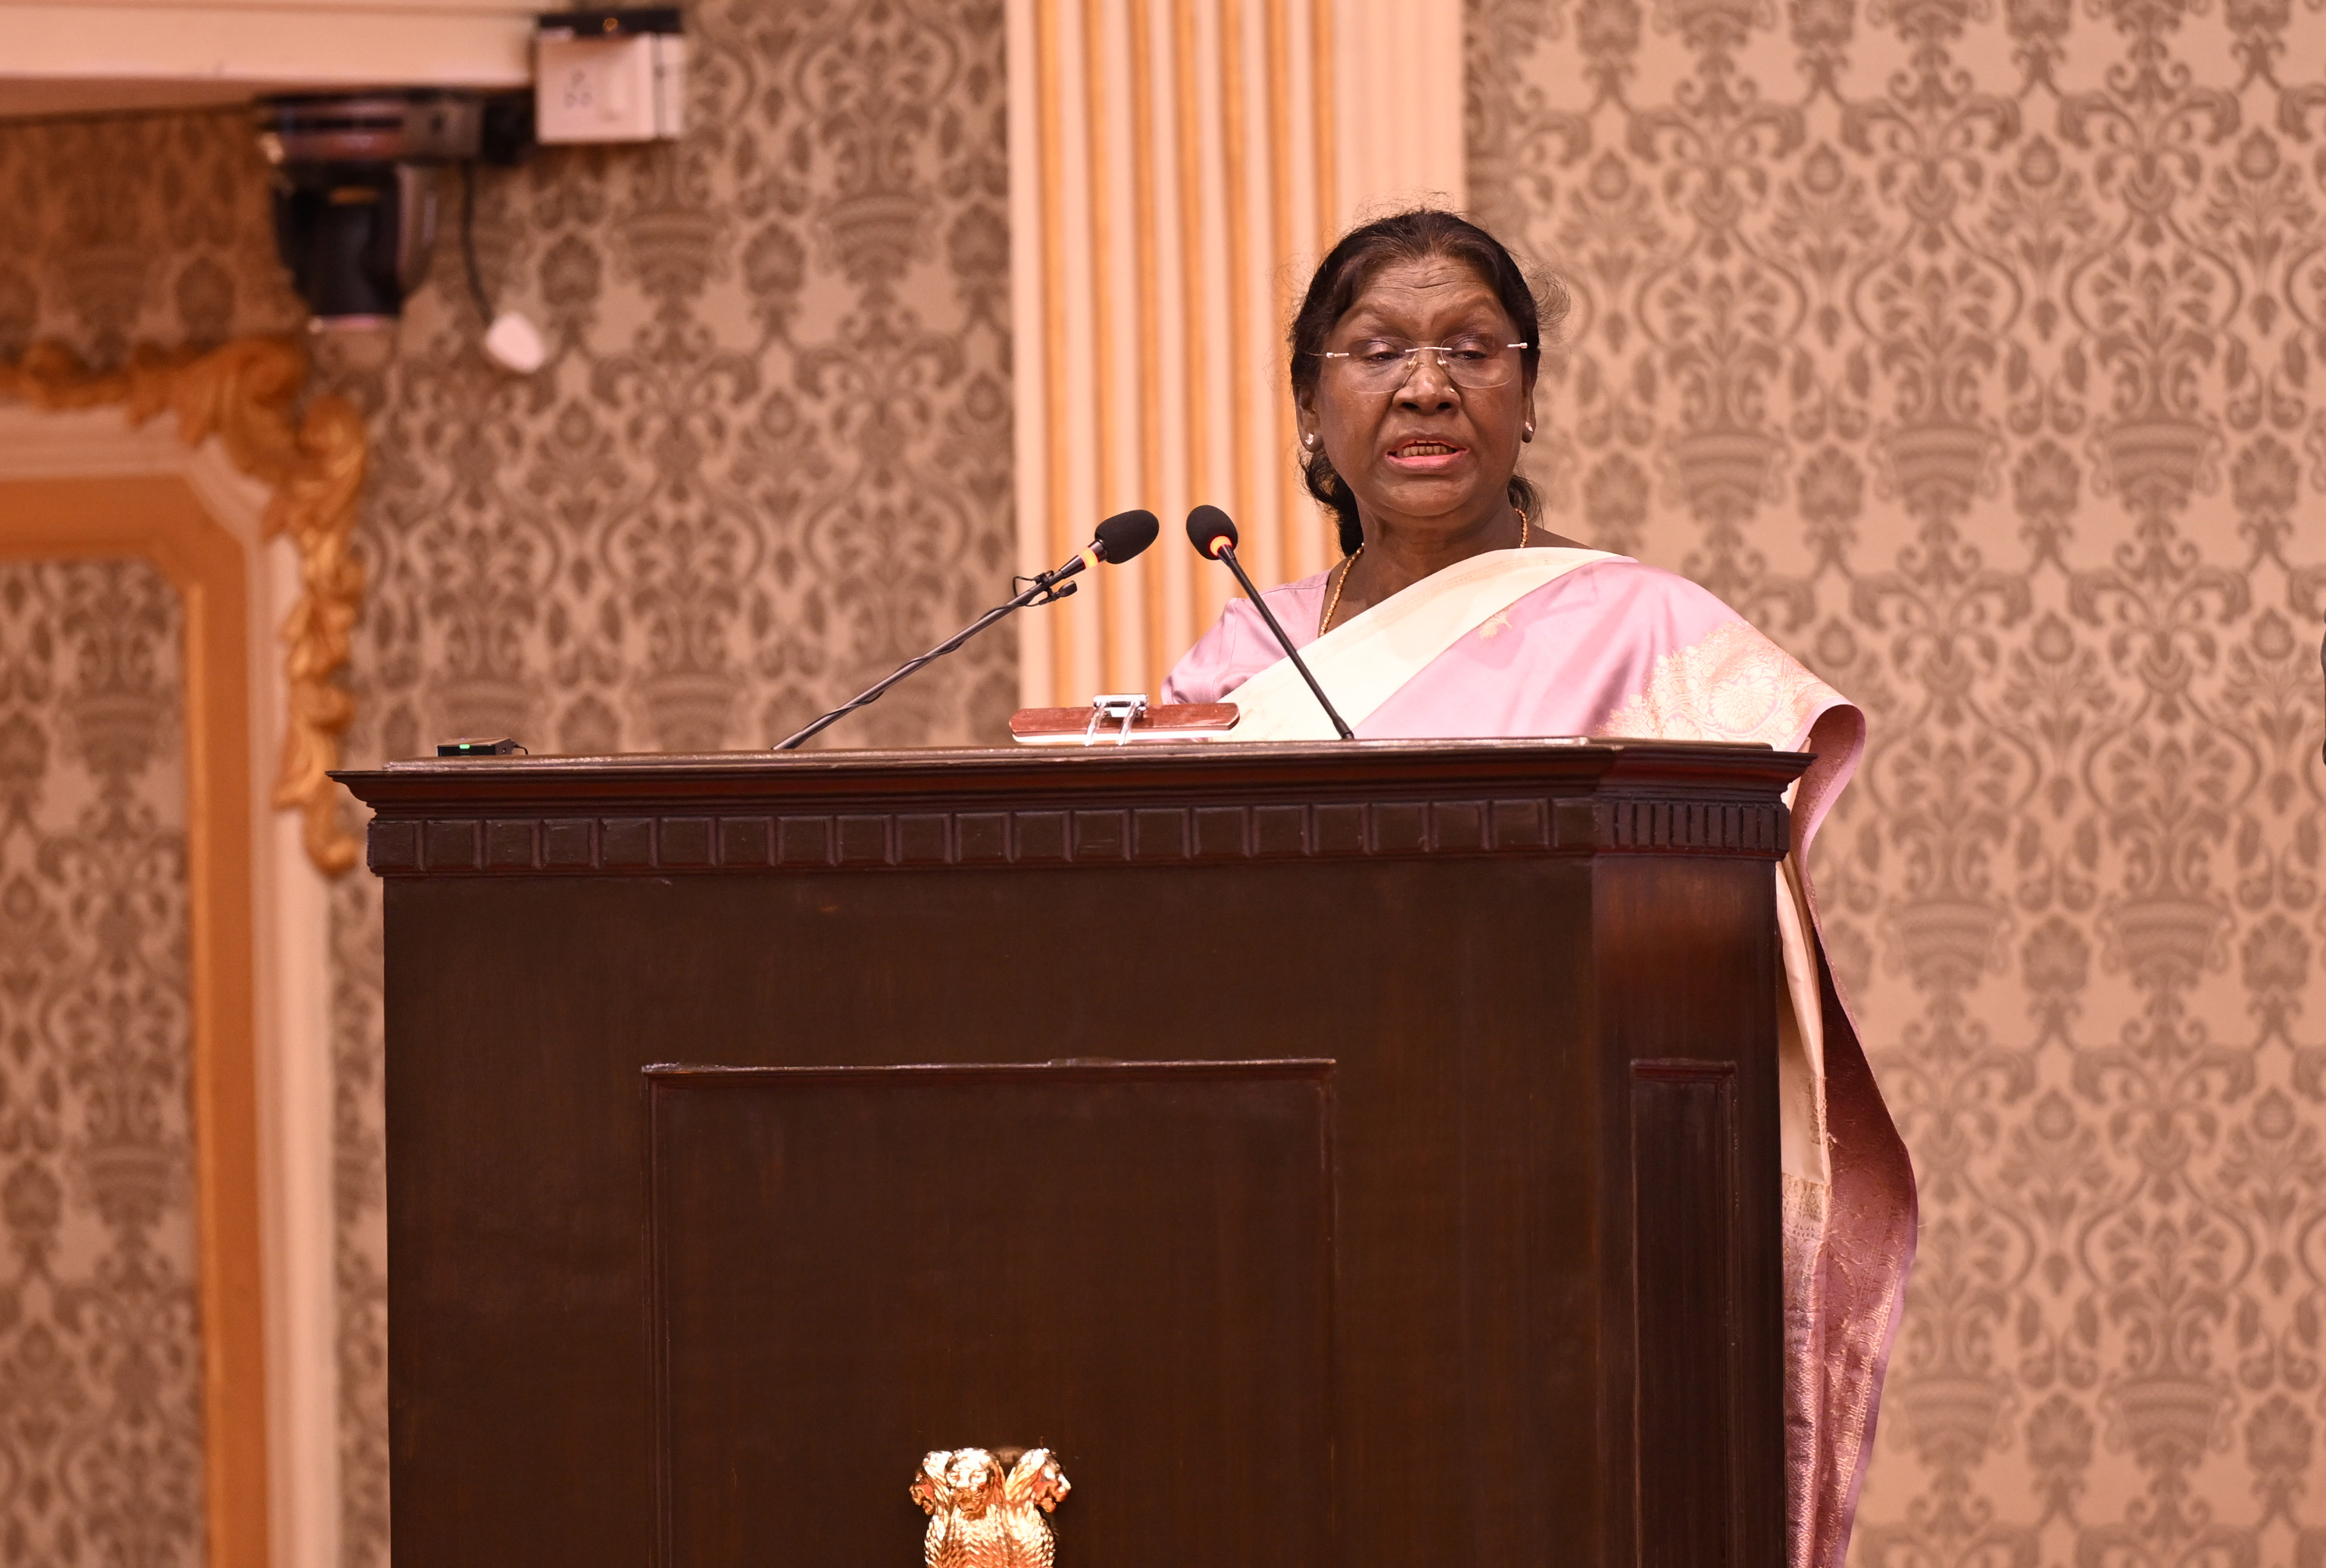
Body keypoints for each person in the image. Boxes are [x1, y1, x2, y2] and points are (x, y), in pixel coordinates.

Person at [1163, 208, 1915, 1568]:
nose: (1426, 386)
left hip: (1566, 1234)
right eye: (1377, 350)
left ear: (1529, 392)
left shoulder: (1649, 634)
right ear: (1310, 405)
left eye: (1471, 349)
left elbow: (1729, 954)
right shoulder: (1240, 665)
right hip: (1281, 1224)